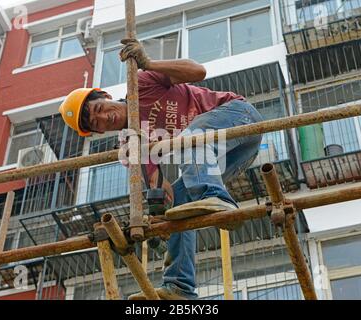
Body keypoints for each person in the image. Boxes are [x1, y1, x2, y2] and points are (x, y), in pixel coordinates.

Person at [59, 39, 264, 300]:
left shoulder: (141, 85)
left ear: (106, 96)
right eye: (96, 123)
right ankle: (180, 287)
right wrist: (162, 219)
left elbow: (198, 72)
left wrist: (148, 63)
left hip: (239, 117)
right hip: (227, 155)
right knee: (178, 205)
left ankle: (217, 199)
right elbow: (161, 191)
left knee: (189, 139)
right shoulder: (130, 144)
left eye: (98, 108)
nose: (103, 118)